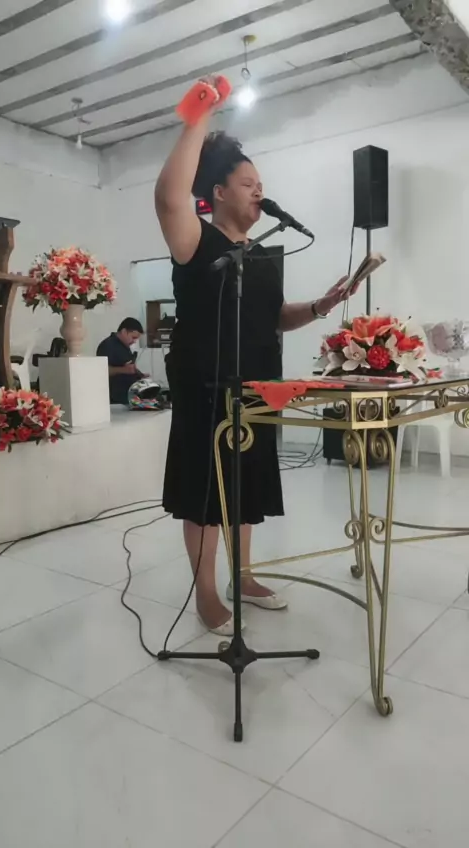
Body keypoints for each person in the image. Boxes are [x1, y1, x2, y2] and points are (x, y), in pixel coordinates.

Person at [155, 78, 359, 635]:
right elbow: (169, 197)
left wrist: (319, 306)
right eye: (248, 183)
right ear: (219, 192)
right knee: (206, 492)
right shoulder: (196, 241)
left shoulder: (263, 255)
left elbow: (274, 318)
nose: (258, 191)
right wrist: (199, 117)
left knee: (243, 484)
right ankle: (204, 592)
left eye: (261, 185)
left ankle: (242, 576)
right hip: (206, 385)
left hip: (256, 388)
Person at [97, 318, 145, 404]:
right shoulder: (108, 346)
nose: (134, 341)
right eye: (133, 337)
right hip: (114, 400)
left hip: (127, 397)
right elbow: (101, 371)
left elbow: (125, 365)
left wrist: (139, 375)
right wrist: (124, 370)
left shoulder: (124, 346)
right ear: (124, 331)